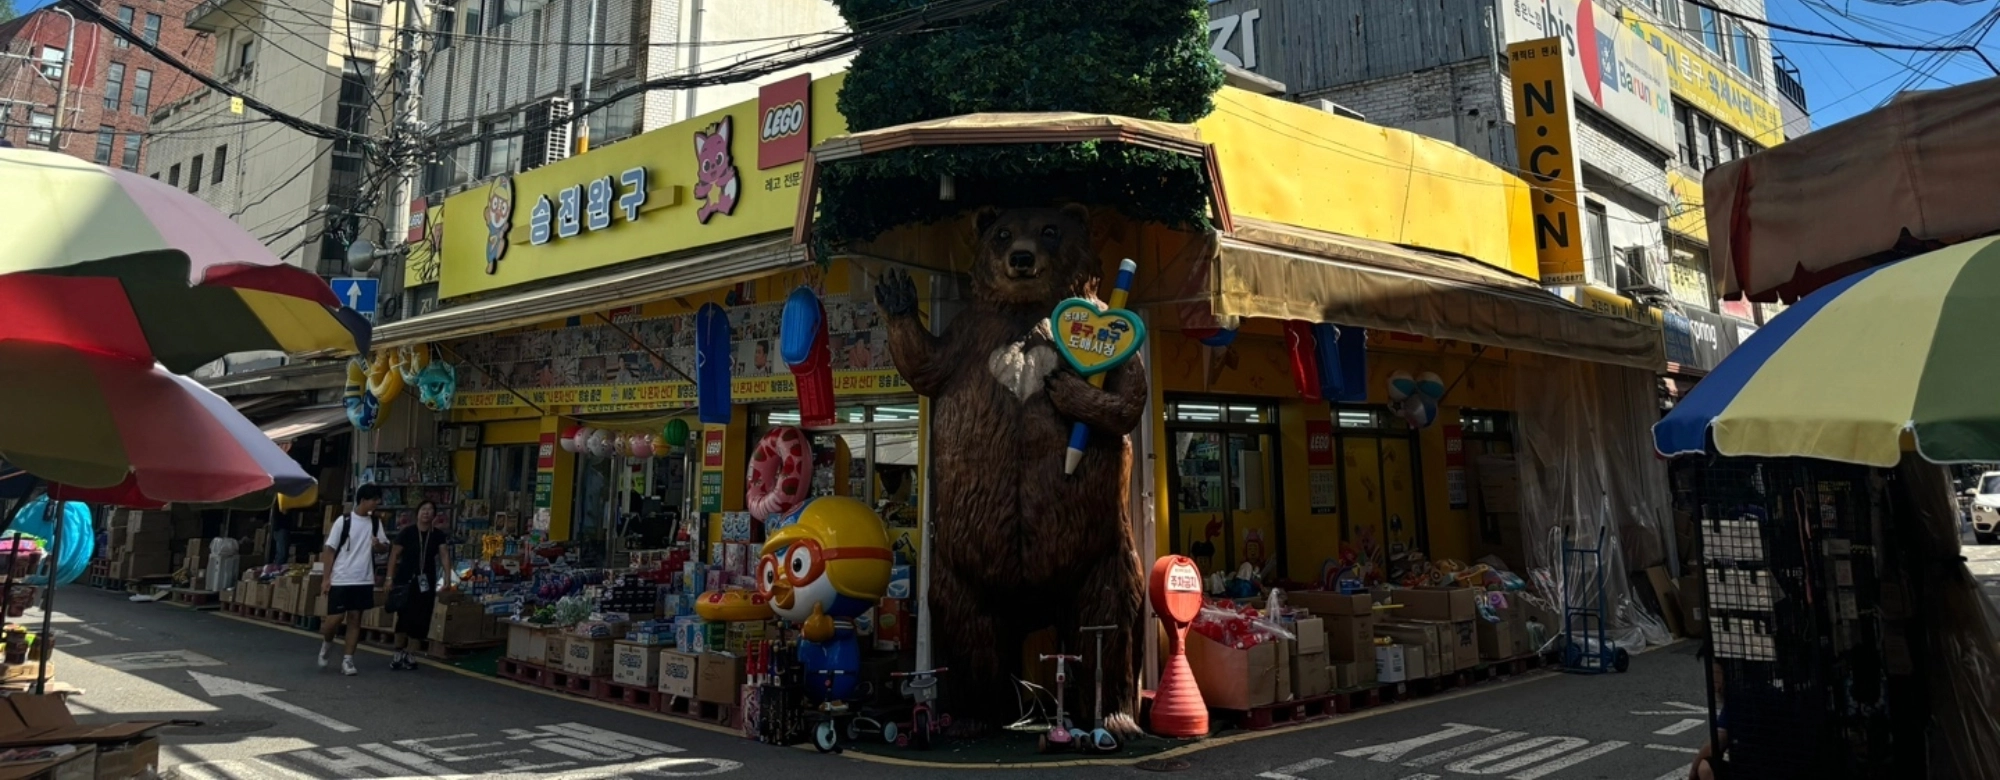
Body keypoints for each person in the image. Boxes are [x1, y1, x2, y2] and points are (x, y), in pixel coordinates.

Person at [319, 484, 391, 676]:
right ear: (363, 500)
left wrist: (378, 546)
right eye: (374, 499)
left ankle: (348, 660)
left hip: (363, 578)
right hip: (342, 577)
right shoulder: (343, 521)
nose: (377, 503)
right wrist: (326, 578)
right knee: (334, 619)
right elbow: (330, 549)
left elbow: (385, 547)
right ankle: (327, 642)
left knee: (355, 619)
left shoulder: (376, 523)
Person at [385, 500, 452, 671]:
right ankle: (398, 651)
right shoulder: (407, 533)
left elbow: (444, 556)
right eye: (423, 509)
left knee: (421, 617)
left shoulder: (437, 535)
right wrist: (389, 578)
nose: (427, 512)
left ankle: (411, 653)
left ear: (434, 515)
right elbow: (394, 555)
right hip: (406, 579)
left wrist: (447, 579)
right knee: (404, 616)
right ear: (417, 513)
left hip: (426, 580)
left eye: (430, 509)